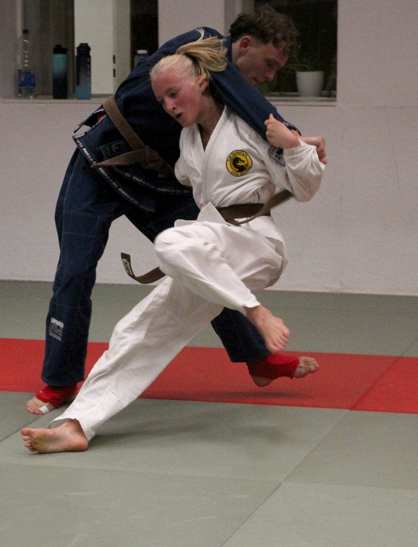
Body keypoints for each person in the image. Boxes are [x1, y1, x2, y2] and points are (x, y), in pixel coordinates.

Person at [22, 35, 326, 452]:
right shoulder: (188, 141)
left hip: (253, 242)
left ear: (202, 81)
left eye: (173, 94)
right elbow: (186, 180)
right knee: (139, 330)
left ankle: (258, 316)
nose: (168, 106)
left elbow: (305, 187)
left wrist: (295, 145)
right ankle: (77, 424)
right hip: (210, 242)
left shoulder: (251, 126)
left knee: (173, 241)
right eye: (161, 99)